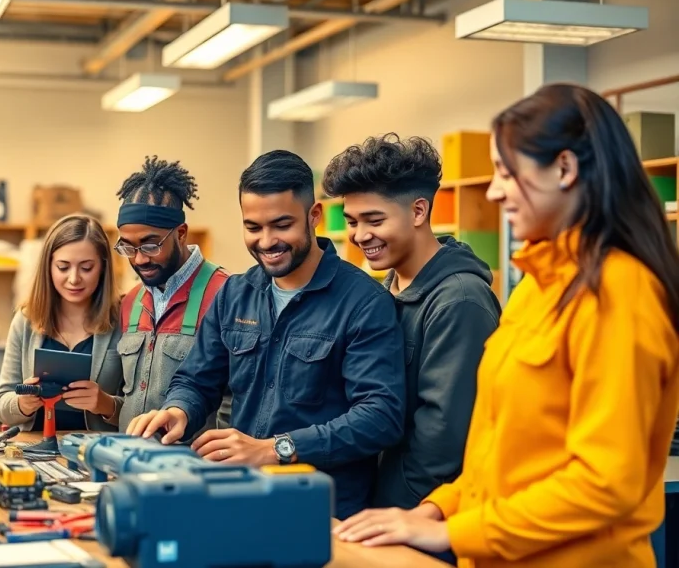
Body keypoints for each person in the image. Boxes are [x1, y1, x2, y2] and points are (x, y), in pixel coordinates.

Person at [334, 83, 679, 568]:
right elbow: (496, 449)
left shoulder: (620, 291)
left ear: (564, 168)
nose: (494, 192)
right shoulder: (539, 287)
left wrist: (453, 529)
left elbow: (604, 483)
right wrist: (436, 509)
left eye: (506, 172)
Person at [127, 150, 407, 520]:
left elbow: (380, 417)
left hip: (322, 515)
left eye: (281, 225)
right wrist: (178, 409)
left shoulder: (364, 302)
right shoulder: (235, 294)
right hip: (239, 500)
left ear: (314, 217)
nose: (266, 241)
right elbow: (197, 380)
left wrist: (277, 449)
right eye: (253, 228)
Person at [322, 133, 502, 517]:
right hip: (381, 506)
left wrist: (396, 514)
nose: (360, 235)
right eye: (352, 222)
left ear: (418, 212)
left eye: (375, 220)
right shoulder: (388, 290)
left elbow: (444, 438)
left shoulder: (460, 301)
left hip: (425, 516)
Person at [112, 156, 230, 434]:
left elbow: (235, 400)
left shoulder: (226, 295)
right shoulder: (130, 302)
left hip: (194, 466)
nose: (139, 259)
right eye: (128, 247)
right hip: (126, 460)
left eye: (150, 245)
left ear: (181, 233)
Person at [0, 214, 124, 432]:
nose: (74, 279)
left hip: (98, 449)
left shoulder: (124, 319)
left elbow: (142, 410)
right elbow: (0, 405)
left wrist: (106, 404)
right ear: (48, 267)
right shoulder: (26, 320)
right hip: (34, 447)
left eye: (86, 267)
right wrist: (21, 404)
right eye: (63, 267)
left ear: (102, 268)